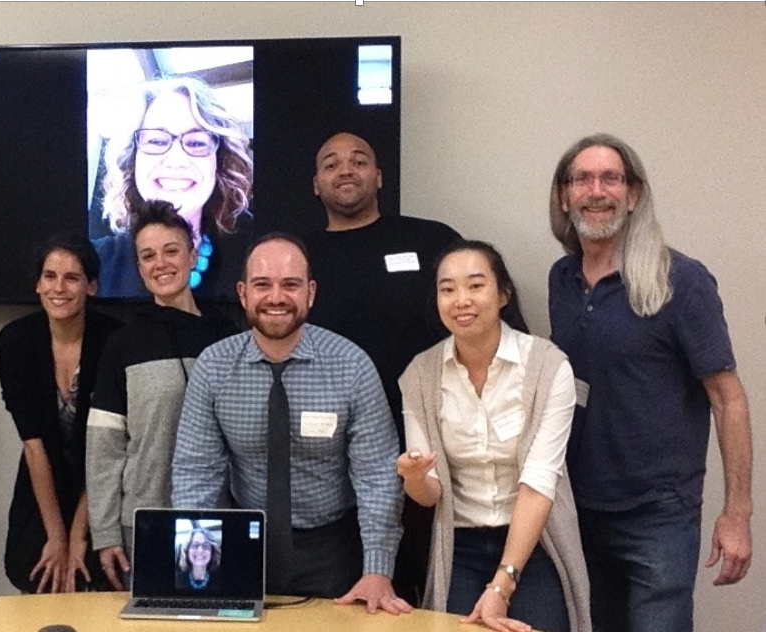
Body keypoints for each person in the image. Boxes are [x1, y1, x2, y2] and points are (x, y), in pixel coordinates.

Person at [547, 133, 753, 632]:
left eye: (611, 178)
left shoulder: (680, 281)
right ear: (564, 196)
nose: (596, 191)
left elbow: (728, 401)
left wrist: (737, 513)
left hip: (657, 515)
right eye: (582, 179)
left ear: (634, 194)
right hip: (579, 508)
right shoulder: (562, 279)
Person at [172, 233, 411, 615]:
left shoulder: (352, 366)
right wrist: (193, 565)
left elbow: (377, 477)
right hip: (241, 545)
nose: (276, 297)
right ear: (243, 293)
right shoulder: (214, 367)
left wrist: (378, 569)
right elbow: (195, 473)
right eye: (262, 285)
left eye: (291, 285)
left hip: (332, 552)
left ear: (311, 293)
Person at [305, 131, 470, 605]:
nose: (346, 170)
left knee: (424, 584)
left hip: (430, 447)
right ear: (316, 183)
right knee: (353, 589)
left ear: (379, 177)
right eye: (332, 163)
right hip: (330, 457)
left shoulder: (430, 239)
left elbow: (482, 322)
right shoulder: (301, 255)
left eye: (359, 161)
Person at [396, 240, 590, 632]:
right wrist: (414, 476)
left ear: (502, 294)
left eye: (475, 285)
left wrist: (502, 585)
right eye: (447, 289)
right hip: (460, 545)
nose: (460, 300)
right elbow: (429, 494)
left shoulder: (548, 367)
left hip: (538, 543)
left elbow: (538, 482)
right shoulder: (420, 373)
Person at [86, 200, 238, 591]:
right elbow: (104, 448)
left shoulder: (227, 338)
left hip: (218, 519)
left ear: (192, 254)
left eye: (171, 251)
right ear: (138, 268)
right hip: (143, 522)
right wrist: (104, 534)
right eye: (147, 256)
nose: (161, 264)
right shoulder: (122, 344)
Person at [0, 234, 122, 593]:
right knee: (38, 568)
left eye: (72, 277)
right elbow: (33, 445)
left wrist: (79, 532)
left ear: (91, 286)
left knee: (98, 572)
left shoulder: (114, 340)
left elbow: (107, 450)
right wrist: (57, 537)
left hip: (100, 486)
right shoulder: (15, 340)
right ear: (38, 284)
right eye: (50, 276)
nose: (59, 288)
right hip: (42, 484)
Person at [92, 76, 253, 301]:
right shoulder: (94, 264)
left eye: (196, 143)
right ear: (131, 160)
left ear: (220, 163)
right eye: (157, 141)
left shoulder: (253, 265)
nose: (177, 160)